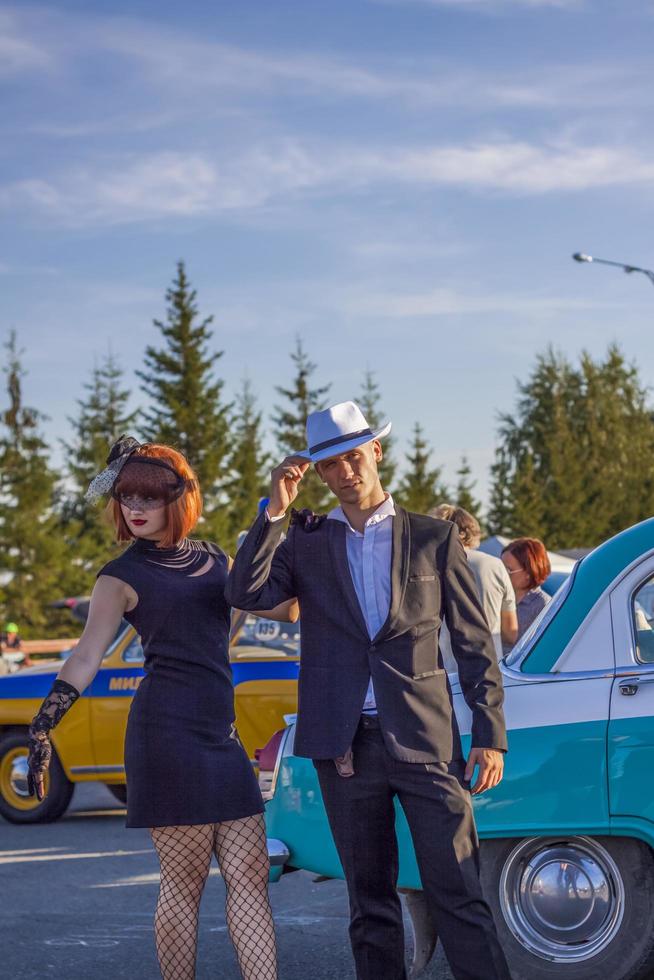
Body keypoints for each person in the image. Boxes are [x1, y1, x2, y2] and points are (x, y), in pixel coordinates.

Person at [226, 401, 512, 980]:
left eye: (353, 457)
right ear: (319, 472)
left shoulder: (434, 538)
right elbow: (245, 591)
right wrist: (275, 512)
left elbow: (475, 642)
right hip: (344, 746)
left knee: (457, 890)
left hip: (427, 741)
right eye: (330, 465)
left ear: (376, 453)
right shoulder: (304, 542)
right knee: (369, 905)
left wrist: (490, 733)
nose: (345, 472)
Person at [26, 436, 297, 980]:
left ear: (180, 499)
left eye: (149, 498)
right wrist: (41, 727)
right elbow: (84, 656)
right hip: (165, 734)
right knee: (185, 880)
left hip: (220, 736)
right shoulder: (120, 576)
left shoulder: (218, 559)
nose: (136, 508)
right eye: (128, 498)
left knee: (248, 875)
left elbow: (275, 609)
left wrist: (289, 528)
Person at [430, 504, 518, 662]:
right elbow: (510, 633)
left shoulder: (429, 566)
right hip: (490, 665)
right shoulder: (495, 565)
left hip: (445, 669)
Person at [500, 537, 551, 652]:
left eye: (507, 570)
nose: (501, 575)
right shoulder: (498, 597)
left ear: (529, 572)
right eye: (499, 569)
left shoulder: (543, 605)